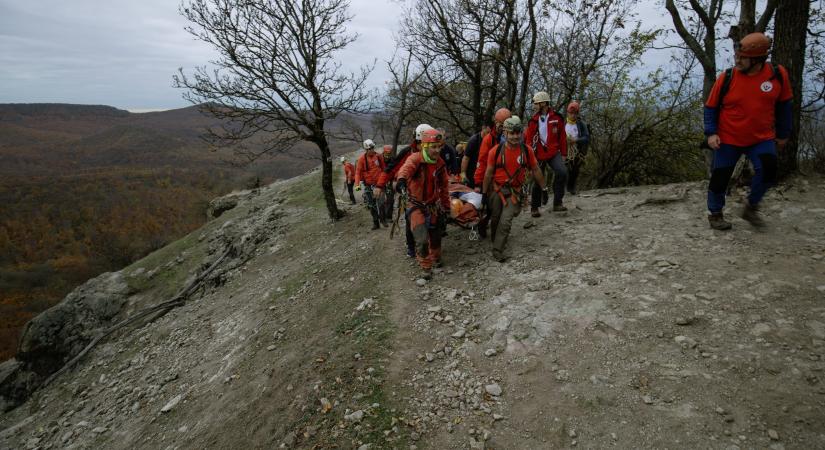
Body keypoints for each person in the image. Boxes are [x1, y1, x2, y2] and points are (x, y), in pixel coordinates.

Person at [704, 32, 792, 230]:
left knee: (768, 171)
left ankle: (751, 206)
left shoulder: (777, 75)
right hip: (728, 137)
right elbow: (710, 107)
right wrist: (711, 133)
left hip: (760, 138)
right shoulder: (726, 77)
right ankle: (715, 213)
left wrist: (783, 133)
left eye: (742, 58)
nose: (737, 60)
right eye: (736, 56)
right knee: (720, 177)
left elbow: (785, 105)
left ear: (758, 59)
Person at [482, 116, 548, 262]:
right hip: (497, 189)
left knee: (505, 221)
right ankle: (495, 239)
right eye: (512, 133)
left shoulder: (527, 151)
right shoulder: (495, 151)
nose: (515, 136)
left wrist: (544, 188)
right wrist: (484, 193)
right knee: (495, 218)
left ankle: (497, 249)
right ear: (504, 133)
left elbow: (536, 169)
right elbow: (488, 173)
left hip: (515, 192)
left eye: (518, 133)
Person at [396, 128, 450, 279]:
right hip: (416, 205)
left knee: (436, 236)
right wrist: (401, 181)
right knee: (421, 239)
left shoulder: (440, 164)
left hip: (432, 205)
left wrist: (446, 207)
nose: (437, 150)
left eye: (439, 146)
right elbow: (405, 170)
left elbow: (444, 187)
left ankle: (436, 258)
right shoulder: (415, 159)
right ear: (424, 146)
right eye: (433, 147)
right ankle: (426, 267)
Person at [376, 124, 430, 257]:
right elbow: (390, 169)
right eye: (421, 143)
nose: (423, 147)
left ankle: (430, 248)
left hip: (429, 194)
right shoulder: (407, 153)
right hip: (410, 194)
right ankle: (412, 248)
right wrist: (379, 186)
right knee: (410, 221)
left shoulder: (434, 153)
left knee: (431, 221)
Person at [525, 91, 568, 217]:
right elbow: (528, 141)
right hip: (538, 154)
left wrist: (564, 154)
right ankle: (535, 207)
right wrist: (529, 158)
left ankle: (557, 202)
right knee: (538, 179)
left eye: (536, 103)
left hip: (553, 152)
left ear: (544, 103)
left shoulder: (557, 118)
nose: (534, 105)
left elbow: (562, 137)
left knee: (562, 172)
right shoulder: (533, 121)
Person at [473, 109, 511, 189]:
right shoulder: (489, 139)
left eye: (505, 126)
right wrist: (478, 183)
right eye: (501, 125)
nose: (503, 128)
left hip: (509, 178)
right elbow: (482, 161)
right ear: (496, 123)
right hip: (493, 179)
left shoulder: (513, 139)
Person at [354, 139, 387, 230]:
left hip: (379, 184)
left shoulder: (378, 157)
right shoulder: (361, 160)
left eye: (373, 148)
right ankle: (376, 223)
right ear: (366, 150)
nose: (372, 150)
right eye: (371, 148)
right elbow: (357, 172)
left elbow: (384, 169)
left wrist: (385, 180)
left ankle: (383, 220)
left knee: (381, 202)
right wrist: (357, 184)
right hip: (369, 185)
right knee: (371, 205)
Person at [564, 101, 591, 195]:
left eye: (575, 113)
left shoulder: (581, 124)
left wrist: (575, 140)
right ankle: (564, 188)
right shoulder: (563, 124)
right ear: (567, 113)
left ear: (577, 114)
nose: (572, 115)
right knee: (564, 170)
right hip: (564, 151)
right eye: (571, 113)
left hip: (577, 151)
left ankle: (571, 187)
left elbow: (586, 137)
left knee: (575, 170)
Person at [460, 123, 491, 188]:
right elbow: (466, 158)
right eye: (487, 132)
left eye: (490, 133)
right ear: (483, 128)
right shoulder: (473, 140)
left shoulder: (491, 140)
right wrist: (463, 174)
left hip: (484, 171)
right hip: (472, 171)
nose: (488, 135)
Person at [379, 145, 396, 221]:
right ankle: (382, 216)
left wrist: (394, 180)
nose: (387, 156)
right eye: (386, 154)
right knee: (381, 200)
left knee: (390, 199)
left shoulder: (393, 160)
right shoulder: (379, 159)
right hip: (381, 181)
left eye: (389, 154)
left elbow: (396, 170)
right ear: (383, 152)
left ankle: (388, 216)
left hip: (390, 181)